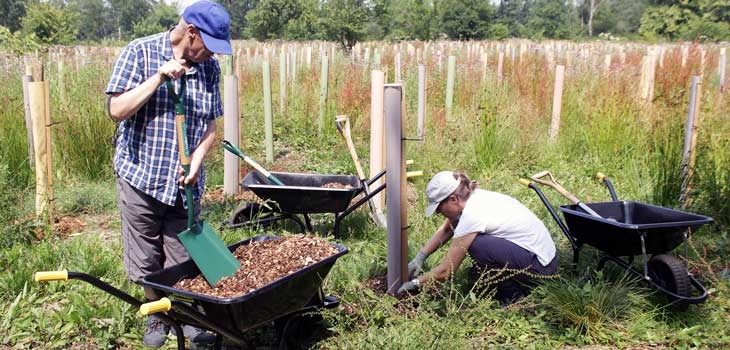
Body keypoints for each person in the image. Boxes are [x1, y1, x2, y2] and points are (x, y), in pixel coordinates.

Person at [105, 0, 232, 347]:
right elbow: (116, 109)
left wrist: (198, 158)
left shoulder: (209, 69)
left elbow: (209, 126)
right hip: (141, 177)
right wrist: (159, 77)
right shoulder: (140, 52)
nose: (211, 56)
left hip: (184, 183)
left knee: (182, 257)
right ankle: (156, 317)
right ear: (191, 32)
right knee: (146, 256)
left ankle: (184, 315)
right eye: (209, 47)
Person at [398, 171, 558, 305]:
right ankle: (507, 281)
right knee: (476, 251)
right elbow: (448, 228)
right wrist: (421, 256)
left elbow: (446, 271)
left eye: (439, 207)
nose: (438, 212)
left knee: (476, 245)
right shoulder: (472, 198)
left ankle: (515, 297)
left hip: (541, 267)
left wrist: (416, 283)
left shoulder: (472, 215)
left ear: (453, 199)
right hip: (540, 256)